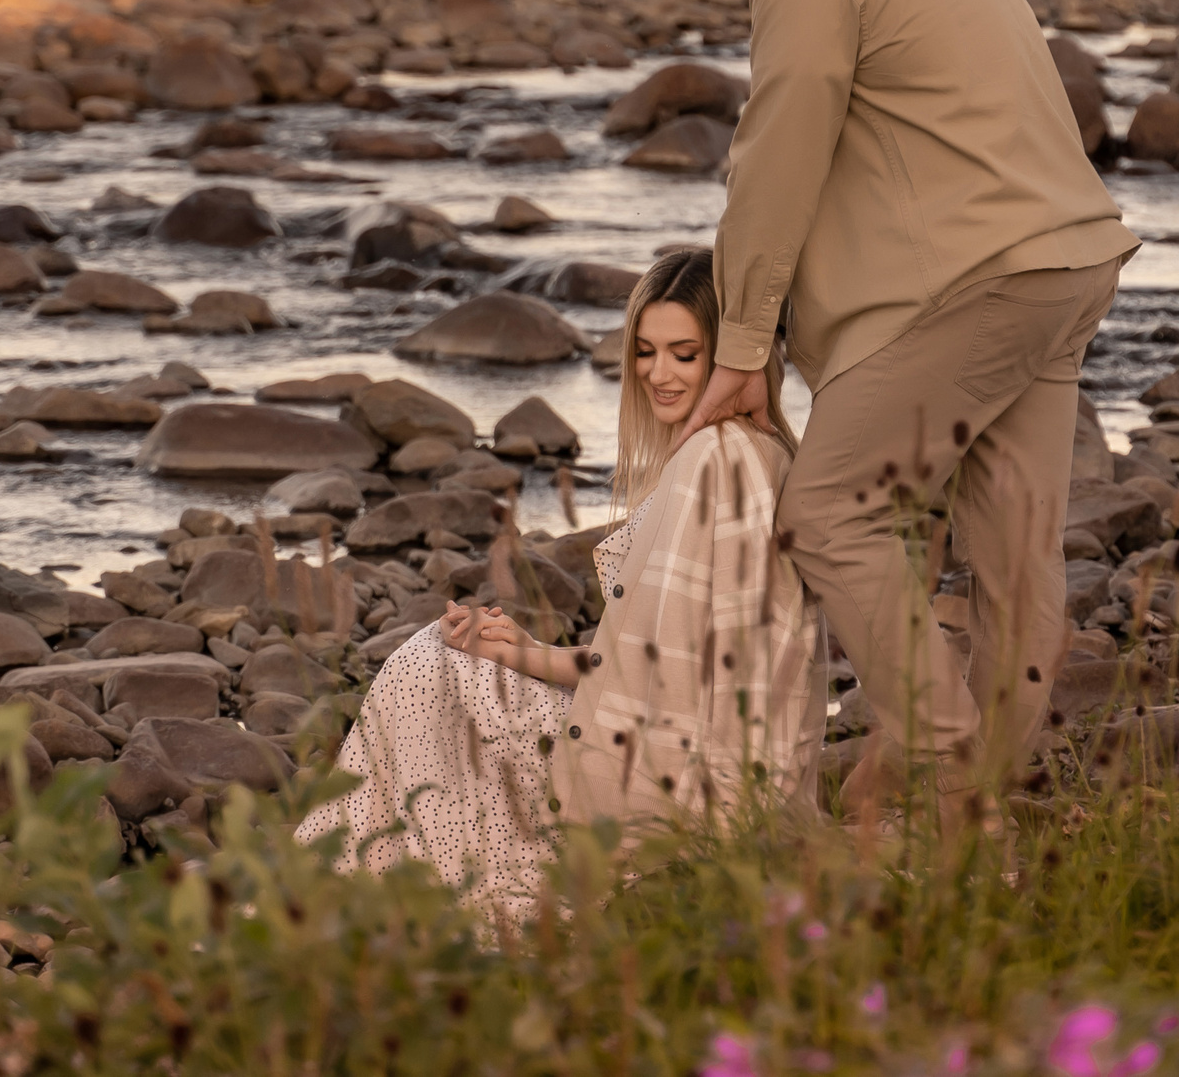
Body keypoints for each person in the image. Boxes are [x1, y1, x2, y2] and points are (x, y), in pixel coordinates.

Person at [677, 0, 1141, 807]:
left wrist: (744, 345)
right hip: (1067, 260)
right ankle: (972, 820)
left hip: (972, 284)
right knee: (1016, 564)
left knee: (826, 511)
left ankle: (931, 753)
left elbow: (778, 151)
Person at [295, 249, 823, 914]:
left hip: (676, 799)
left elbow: (719, 687)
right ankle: (373, 887)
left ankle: (341, 897)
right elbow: (662, 662)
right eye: (647, 350)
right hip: (685, 771)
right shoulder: (759, 450)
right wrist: (521, 652)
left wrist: (698, 842)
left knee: (425, 672)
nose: (659, 374)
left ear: (731, 357)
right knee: (452, 658)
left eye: (685, 354)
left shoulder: (714, 463)